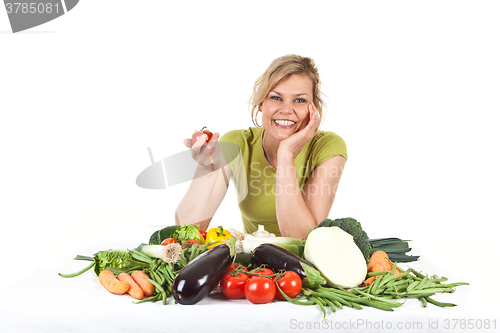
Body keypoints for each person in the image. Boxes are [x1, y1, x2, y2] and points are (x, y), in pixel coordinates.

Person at [175, 54, 347, 239]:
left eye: (299, 100)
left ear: (313, 108)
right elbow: (187, 232)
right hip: (254, 265)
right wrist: (206, 169)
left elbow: (303, 239)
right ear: (260, 104)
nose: (286, 110)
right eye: (276, 97)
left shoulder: (328, 147)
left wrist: (286, 154)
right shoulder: (238, 143)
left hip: (302, 265)